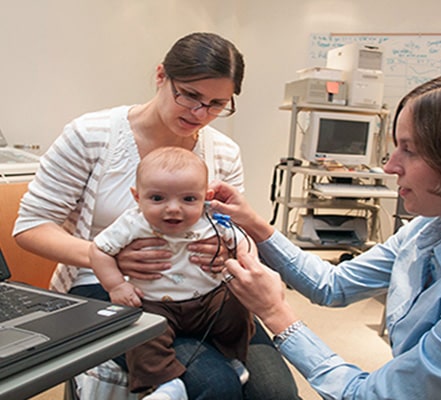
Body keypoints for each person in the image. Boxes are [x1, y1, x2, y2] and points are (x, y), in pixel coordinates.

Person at [211, 68, 441, 399]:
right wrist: (254, 224)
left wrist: (275, 311)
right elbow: (333, 285)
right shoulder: (431, 228)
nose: (389, 166)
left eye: (410, 151)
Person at [13, 32, 299, 400]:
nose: (200, 114)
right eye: (190, 96)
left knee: (276, 392)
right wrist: (108, 258)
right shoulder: (92, 136)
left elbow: (233, 228)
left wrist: (227, 253)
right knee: (216, 384)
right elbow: (31, 227)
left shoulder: (224, 152)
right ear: (162, 76)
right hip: (113, 289)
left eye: (216, 104)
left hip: (205, 291)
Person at [90, 147, 254, 399]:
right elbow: (99, 250)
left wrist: (242, 259)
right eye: (157, 198)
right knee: (141, 335)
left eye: (188, 199)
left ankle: (231, 356)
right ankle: (166, 383)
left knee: (238, 309)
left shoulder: (211, 219)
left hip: (209, 299)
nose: (173, 209)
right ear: (137, 197)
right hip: (155, 303)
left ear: (206, 197)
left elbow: (242, 240)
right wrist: (116, 286)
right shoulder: (132, 223)